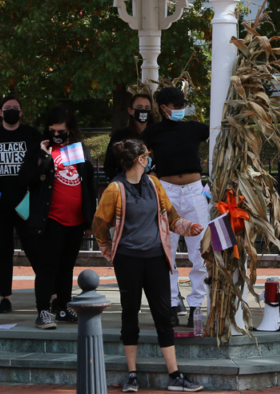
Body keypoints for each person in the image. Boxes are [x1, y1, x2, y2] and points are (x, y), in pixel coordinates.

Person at [93, 139, 204, 392]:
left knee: (163, 315)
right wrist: (110, 252)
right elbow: (99, 223)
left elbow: (172, 216)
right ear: (139, 160)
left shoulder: (154, 184)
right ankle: (132, 374)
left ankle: (175, 375)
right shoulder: (115, 189)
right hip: (128, 259)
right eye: (146, 155)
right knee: (129, 313)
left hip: (156, 258)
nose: (150, 158)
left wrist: (190, 228)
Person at [19, 105, 97, 330]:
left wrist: (90, 220)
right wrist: (42, 159)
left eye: (61, 131)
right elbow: (24, 179)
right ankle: (43, 310)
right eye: (52, 130)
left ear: (70, 130)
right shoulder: (40, 149)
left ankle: (63, 307)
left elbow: (89, 184)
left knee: (67, 266)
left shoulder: (79, 149)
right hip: (51, 218)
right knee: (47, 267)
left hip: (75, 219)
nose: (56, 135)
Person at [139, 87, 209, 327]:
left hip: (194, 191)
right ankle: (169, 303)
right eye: (176, 105)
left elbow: (220, 134)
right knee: (165, 251)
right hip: (166, 192)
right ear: (163, 107)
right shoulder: (153, 132)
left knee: (200, 251)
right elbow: (142, 158)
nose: (180, 109)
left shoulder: (194, 128)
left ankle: (197, 305)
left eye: (182, 105)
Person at [0, 96, 41, 314]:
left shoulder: (31, 135)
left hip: (26, 204)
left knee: (35, 249)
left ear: (21, 112)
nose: (11, 111)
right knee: (2, 252)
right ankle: (5, 297)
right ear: (0, 113)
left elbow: (43, 161)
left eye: (15, 108)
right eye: (7, 108)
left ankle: (51, 293)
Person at [103, 93, 157, 180]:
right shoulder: (120, 136)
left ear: (151, 112)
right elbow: (109, 167)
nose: (143, 111)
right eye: (139, 107)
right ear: (130, 111)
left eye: (147, 108)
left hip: (153, 185)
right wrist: (127, 180)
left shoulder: (157, 135)